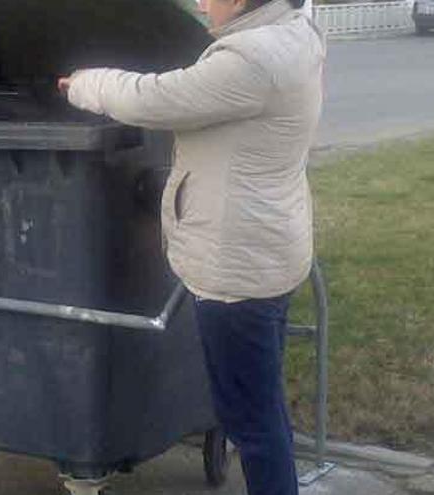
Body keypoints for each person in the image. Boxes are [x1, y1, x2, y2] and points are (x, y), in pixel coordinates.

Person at [58, 0, 325, 494]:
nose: (202, 3)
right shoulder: (292, 34)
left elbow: (151, 100)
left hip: (237, 266)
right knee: (262, 405)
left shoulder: (252, 59)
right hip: (268, 248)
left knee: (251, 421)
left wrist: (85, 83)